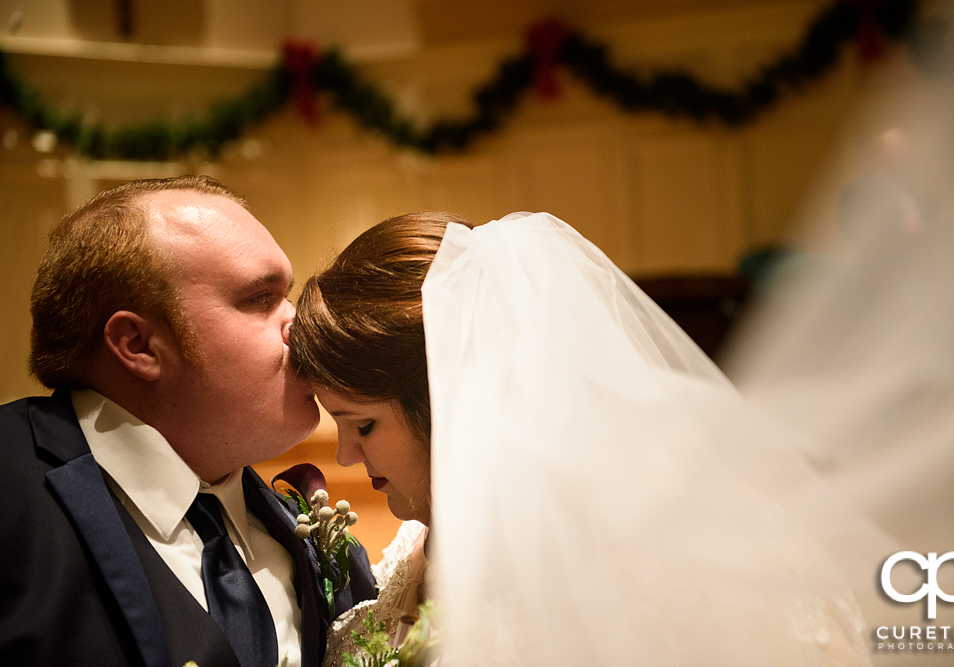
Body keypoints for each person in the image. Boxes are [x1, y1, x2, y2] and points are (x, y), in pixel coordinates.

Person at [291, 211, 877, 666]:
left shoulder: (640, 552)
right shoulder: (416, 548)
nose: (345, 455)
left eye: (362, 424)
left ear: (446, 400)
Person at [0, 176, 377, 667]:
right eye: (260, 299)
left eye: (288, 295)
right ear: (138, 345)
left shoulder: (314, 537)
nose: (302, 324)